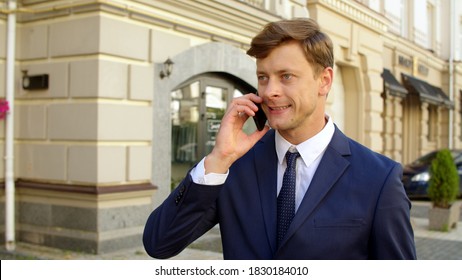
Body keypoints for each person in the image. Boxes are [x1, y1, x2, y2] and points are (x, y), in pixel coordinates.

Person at [143, 18, 416, 260]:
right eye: (263, 77)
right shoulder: (233, 165)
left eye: (286, 76)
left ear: (324, 80)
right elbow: (159, 244)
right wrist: (219, 159)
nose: (270, 91)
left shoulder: (379, 179)